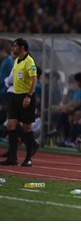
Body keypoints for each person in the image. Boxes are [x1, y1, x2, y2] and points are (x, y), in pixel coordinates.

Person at [0, 38, 38, 166]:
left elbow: (34, 79)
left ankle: (28, 158)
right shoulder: (16, 61)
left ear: (22, 48)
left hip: (26, 97)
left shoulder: (29, 61)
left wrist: (28, 96)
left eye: (15, 46)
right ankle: (12, 157)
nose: (12, 48)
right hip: (15, 97)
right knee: (11, 125)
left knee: (27, 127)